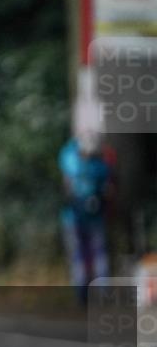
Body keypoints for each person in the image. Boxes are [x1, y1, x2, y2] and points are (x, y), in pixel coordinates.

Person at [58, 131, 114, 305]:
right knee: (97, 256)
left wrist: (76, 141)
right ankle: (98, 293)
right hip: (89, 218)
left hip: (76, 219)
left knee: (81, 257)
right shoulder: (101, 167)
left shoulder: (72, 163)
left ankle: (83, 294)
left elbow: (65, 156)